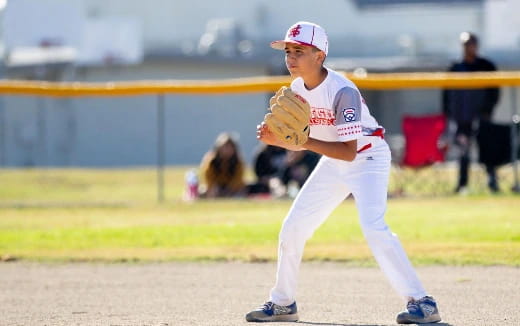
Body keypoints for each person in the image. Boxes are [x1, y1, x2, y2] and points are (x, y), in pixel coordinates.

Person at [245, 22, 441, 324]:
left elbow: (348, 151)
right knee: (293, 227)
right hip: (332, 162)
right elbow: (305, 143)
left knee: (373, 228)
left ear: (320, 55)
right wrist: (279, 139)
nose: (291, 57)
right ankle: (283, 302)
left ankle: (422, 302)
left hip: (368, 159)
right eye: (288, 51)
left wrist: (301, 140)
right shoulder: (297, 89)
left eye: (299, 50)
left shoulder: (343, 91)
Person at [442, 32, 500, 193]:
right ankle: (462, 185)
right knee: (463, 151)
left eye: (472, 43)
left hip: (482, 116)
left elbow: (495, 92)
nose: (469, 47)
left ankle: (492, 182)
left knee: (487, 149)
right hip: (462, 118)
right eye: (466, 44)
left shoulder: (486, 66)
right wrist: (448, 114)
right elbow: (447, 93)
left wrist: (488, 110)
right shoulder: (455, 68)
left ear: (477, 45)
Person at [198, 132, 246, 198]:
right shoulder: (211, 160)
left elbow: (238, 180)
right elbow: (207, 178)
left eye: (230, 147)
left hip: (231, 189)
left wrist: (230, 189)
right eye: (225, 147)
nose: (227, 150)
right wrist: (213, 187)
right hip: (215, 188)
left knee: (242, 192)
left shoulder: (238, 162)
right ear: (219, 148)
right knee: (202, 191)